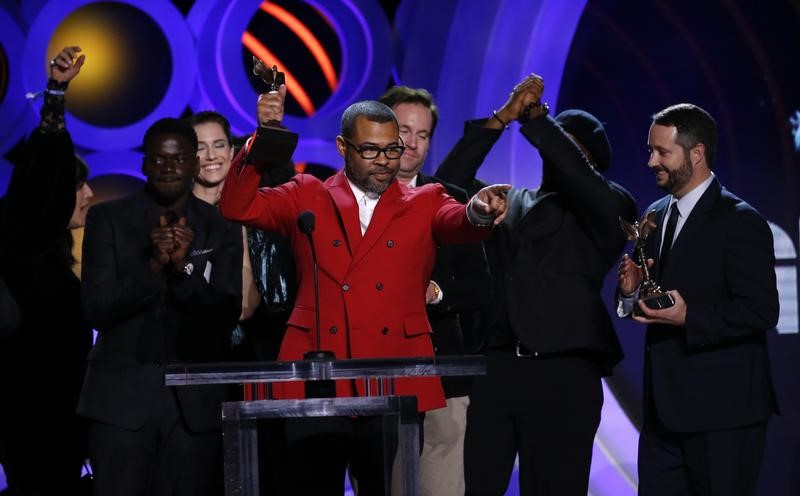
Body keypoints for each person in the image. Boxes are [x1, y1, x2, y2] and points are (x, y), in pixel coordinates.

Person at [219, 94, 510, 493]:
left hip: (393, 373)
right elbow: (238, 207)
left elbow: (459, 220)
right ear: (343, 147)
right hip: (318, 370)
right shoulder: (307, 193)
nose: (385, 160)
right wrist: (264, 139)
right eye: (371, 150)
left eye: (393, 149)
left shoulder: (425, 200)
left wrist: (478, 209)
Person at [435, 74, 637, 495]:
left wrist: (540, 122)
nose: (555, 155)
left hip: (564, 372)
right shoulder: (513, 200)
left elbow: (578, 175)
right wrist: (503, 118)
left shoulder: (611, 206)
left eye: (568, 148)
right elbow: (446, 186)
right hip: (496, 370)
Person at [617, 103, 779, 496]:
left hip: (723, 416)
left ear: (697, 153)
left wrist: (691, 317)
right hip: (662, 417)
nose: (650, 160)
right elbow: (648, 296)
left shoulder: (741, 221)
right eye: (650, 150)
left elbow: (761, 310)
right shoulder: (655, 214)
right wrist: (629, 292)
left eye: (661, 152)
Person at [78, 117, 243, 496]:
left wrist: (183, 269)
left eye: (179, 158)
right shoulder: (109, 219)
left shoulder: (221, 226)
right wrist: (153, 267)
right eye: (159, 159)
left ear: (194, 163)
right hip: (120, 405)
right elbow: (96, 308)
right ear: (144, 163)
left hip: (195, 406)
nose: (169, 168)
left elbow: (224, 312)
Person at [379, 85, 491, 496]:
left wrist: (438, 294)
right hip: (371, 380)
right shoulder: (349, 201)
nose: (411, 143)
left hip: (441, 380)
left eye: (422, 134)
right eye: (402, 129)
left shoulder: (451, 202)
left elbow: (481, 290)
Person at [0, 45, 94, 495]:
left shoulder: (53, 259)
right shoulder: (21, 247)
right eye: (76, 185)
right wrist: (56, 92)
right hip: (32, 427)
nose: (88, 194)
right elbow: (40, 175)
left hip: (65, 428)